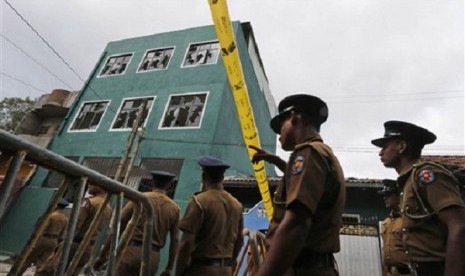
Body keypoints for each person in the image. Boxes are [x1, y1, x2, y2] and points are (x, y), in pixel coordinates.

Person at [249, 94, 345, 276]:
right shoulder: (324, 155)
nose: (279, 136)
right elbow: (304, 183)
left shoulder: (308, 153)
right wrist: (277, 161)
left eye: (281, 128)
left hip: (301, 268)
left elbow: (295, 224)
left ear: (294, 118)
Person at [371, 120, 465, 276]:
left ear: (401, 147)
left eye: (385, 146)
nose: (381, 152)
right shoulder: (408, 181)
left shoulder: (426, 175)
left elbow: (459, 225)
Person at [95, 170, 180, 276]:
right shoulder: (174, 208)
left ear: (153, 182)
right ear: (170, 185)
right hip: (153, 256)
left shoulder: (139, 198)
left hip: (132, 251)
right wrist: (169, 268)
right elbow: (175, 240)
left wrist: (102, 256)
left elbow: (118, 227)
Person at [175, 156, 244, 276]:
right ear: (222, 178)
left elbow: (186, 243)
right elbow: (239, 241)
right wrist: (229, 263)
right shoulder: (237, 205)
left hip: (202, 270)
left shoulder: (199, 201)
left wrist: (179, 272)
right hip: (226, 270)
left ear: (204, 177)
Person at [35, 184, 112, 276]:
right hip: (88, 248)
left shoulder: (90, 202)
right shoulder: (108, 208)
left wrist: (63, 244)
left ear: (102, 188)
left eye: (94, 184)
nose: (90, 185)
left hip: (74, 245)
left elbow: (76, 224)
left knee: (48, 270)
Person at [17, 198, 69, 274]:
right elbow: (62, 233)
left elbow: (41, 229)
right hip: (54, 242)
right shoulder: (65, 219)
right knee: (42, 264)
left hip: (44, 239)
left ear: (56, 205)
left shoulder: (51, 216)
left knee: (27, 260)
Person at [378, 179, 410, 276]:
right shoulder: (387, 222)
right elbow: (386, 250)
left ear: (398, 195)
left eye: (388, 195)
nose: (384, 198)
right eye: (384, 195)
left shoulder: (408, 219)